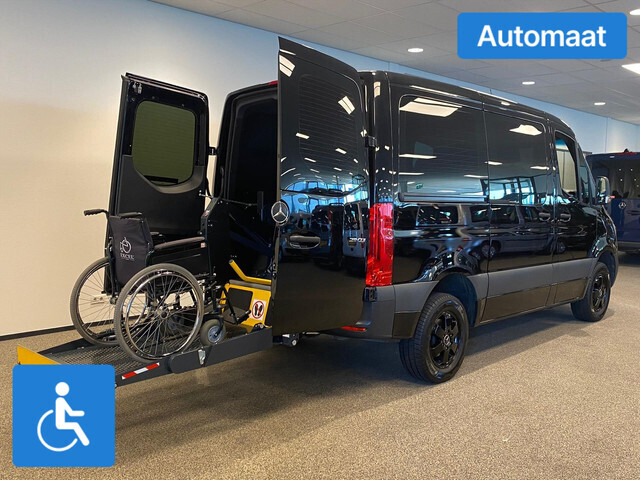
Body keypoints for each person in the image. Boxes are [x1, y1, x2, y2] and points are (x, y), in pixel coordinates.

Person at [54, 382, 89, 446]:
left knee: (75, 424)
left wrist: (79, 413)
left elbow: (70, 413)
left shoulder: (60, 400)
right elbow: (70, 413)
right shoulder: (60, 400)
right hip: (60, 424)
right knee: (75, 425)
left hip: (61, 423)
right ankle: (85, 442)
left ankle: (85, 442)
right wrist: (80, 413)